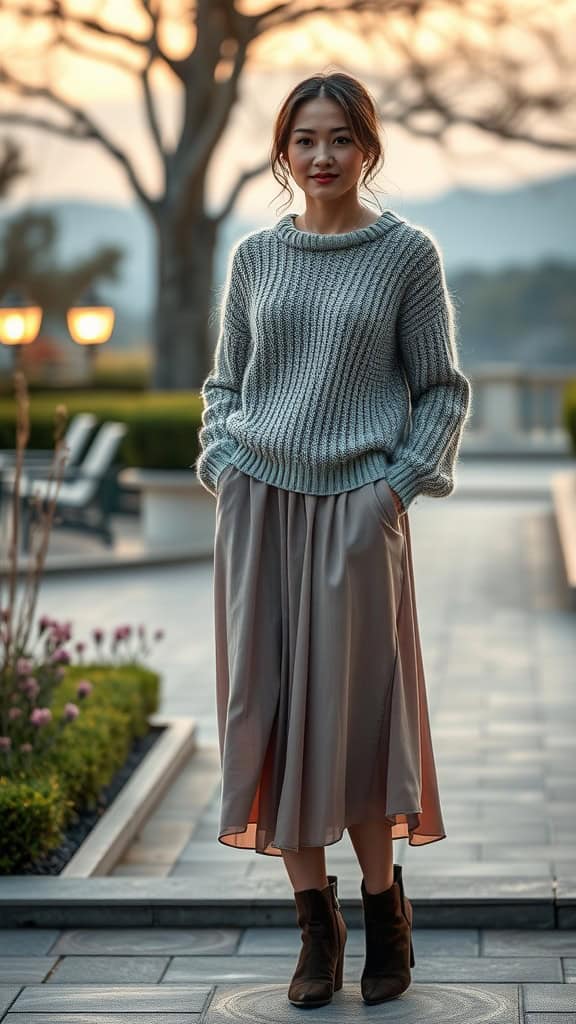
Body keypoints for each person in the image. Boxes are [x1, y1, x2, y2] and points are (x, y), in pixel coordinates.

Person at [195, 70, 472, 1010]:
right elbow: (224, 385)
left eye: (340, 139)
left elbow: (441, 389)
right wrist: (222, 461)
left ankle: (384, 905)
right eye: (305, 139)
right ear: (284, 150)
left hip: (359, 511)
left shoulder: (406, 255)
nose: (321, 157)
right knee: (266, 714)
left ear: (368, 148)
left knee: (352, 722)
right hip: (259, 510)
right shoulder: (255, 259)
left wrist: (394, 491)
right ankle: (315, 928)